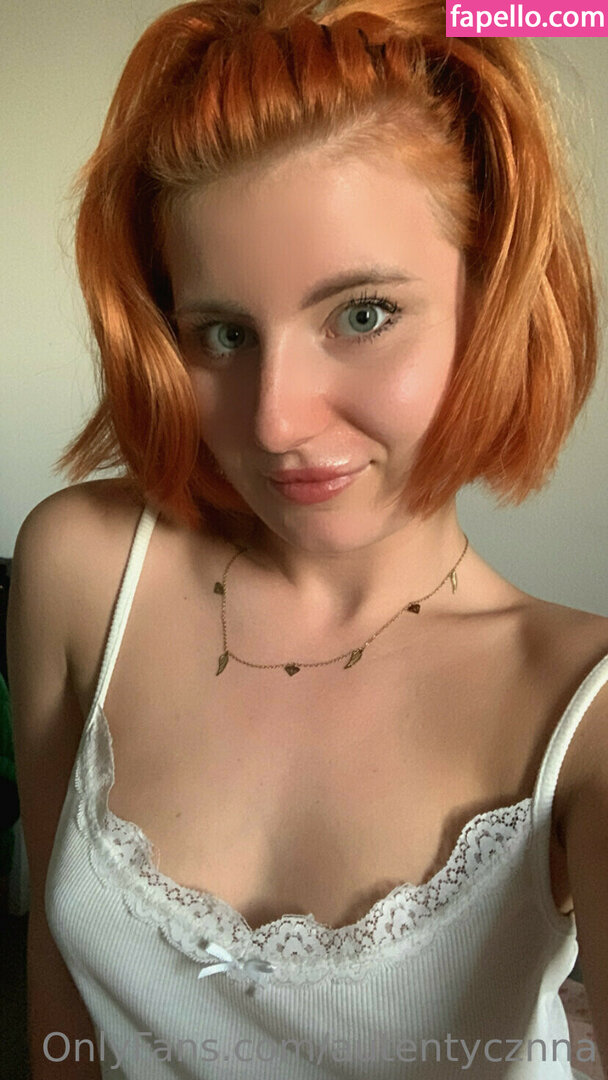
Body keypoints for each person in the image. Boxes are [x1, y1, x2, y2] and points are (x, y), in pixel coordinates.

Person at [6, 0, 608, 1077]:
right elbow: (62, 1010)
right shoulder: (82, 569)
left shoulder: (579, 713)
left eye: (362, 314)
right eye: (223, 334)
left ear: (493, 303)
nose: (275, 421)